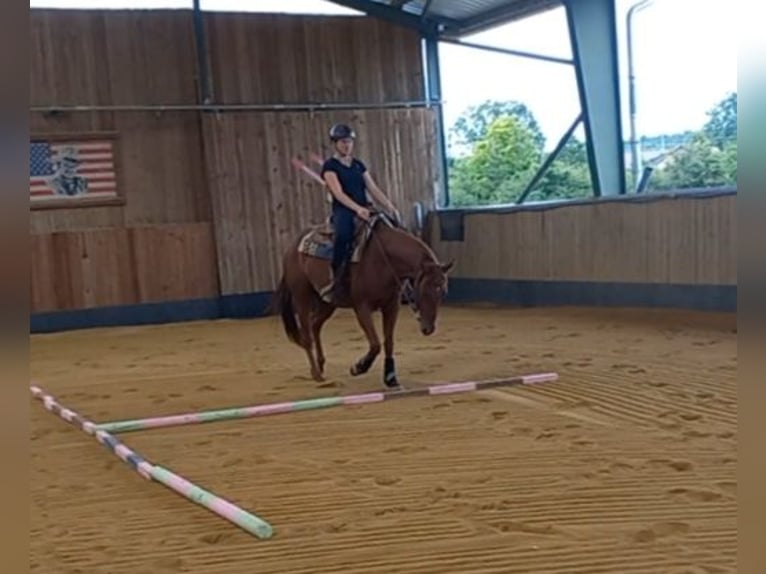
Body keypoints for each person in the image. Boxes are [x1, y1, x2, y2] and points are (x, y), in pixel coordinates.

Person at [320, 123, 400, 301]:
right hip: (344, 210)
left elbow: (372, 188)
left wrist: (390, 206)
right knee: (343, 236)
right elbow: (338, 193)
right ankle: (337, 279)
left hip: (365, 208)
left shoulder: (358, 165)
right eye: (342, 142)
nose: (346, 145)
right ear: (335, 143)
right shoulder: (329, 166)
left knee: (391, 227)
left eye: (349, 141)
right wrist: (357, 209)